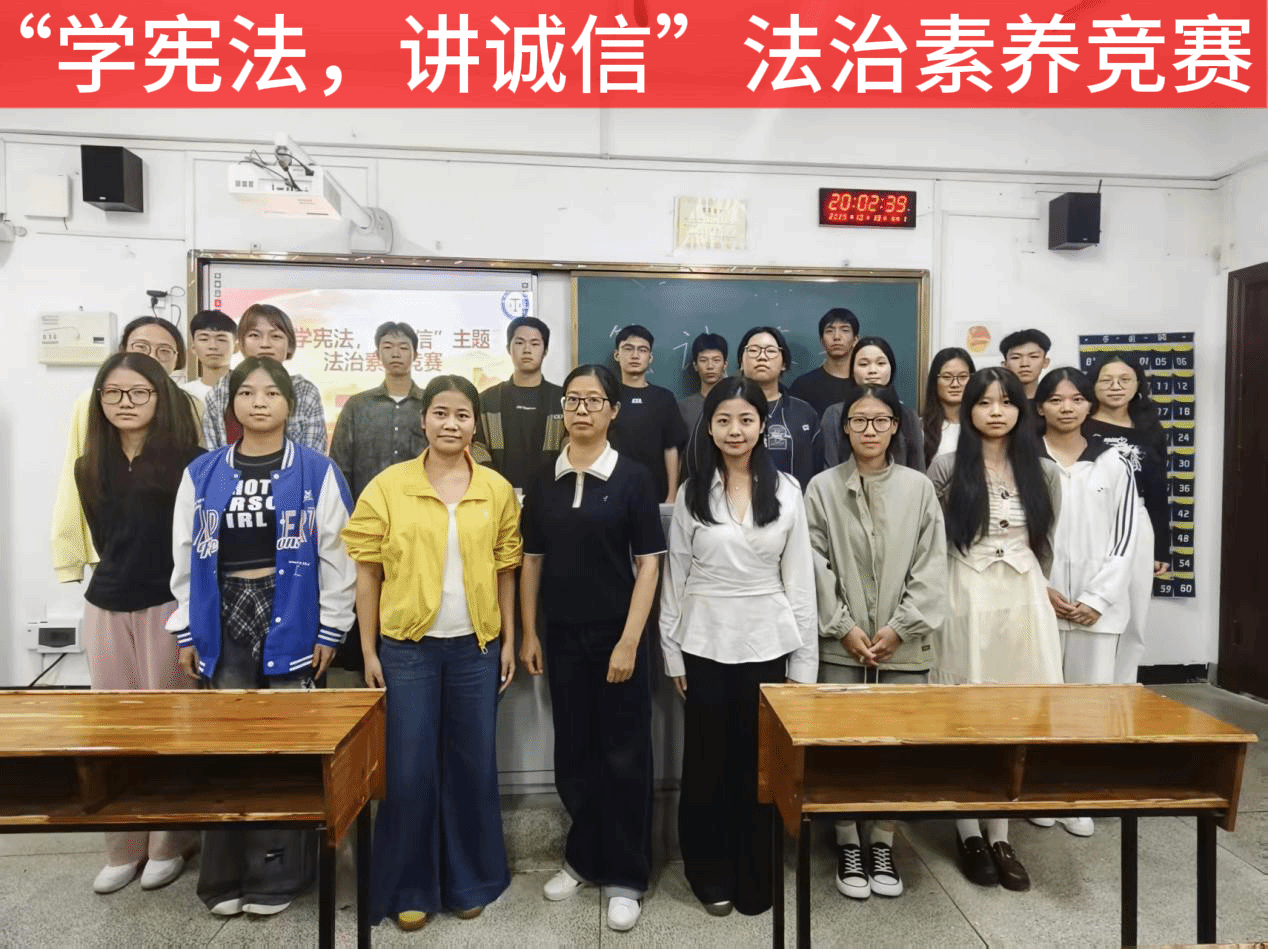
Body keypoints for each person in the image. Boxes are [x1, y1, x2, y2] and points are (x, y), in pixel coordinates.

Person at [169, 356, 356, 919]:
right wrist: (186, 630)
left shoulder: (317, 471)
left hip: (291, 610)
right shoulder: (202, 472)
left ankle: (278, 875)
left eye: (271, 393)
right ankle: (224, 876)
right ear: (232, 404)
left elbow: (339, 554)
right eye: (246, 392)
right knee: (228, 748)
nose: (258, 402)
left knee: (287, 750)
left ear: (289, 406)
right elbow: (184, 554)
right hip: (222, 613)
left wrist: (332, 626)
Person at [343, 375, 522, 933]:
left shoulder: (494, 489)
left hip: (475, 649)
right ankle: (409, 888)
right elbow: (368, 573)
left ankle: (469, 881)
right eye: (441, 413)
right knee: (409, 769)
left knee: (472, 766)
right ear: (424, 420)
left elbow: (507, 568)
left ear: (475, 425)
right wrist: (368, 649)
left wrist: (509, 640)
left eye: (462, 415)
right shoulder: (388, 486)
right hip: (407, 651)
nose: (451, 424)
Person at [660, 377, 818, 918]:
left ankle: (757, 871)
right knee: (707, 763)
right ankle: (708, 872)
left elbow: (800, 581)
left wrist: (803, 665)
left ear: (761, 425)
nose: (735, 430)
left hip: (768, 641)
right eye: (723, 420)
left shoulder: (788, 490)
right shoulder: (691, 491)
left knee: (760, 763)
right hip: (704, 642)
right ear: (709, 427)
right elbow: (675, 577)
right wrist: (672, 653)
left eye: (746, 420)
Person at [519, 364, 666, 934]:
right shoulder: (544, 476)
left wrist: (629, 641)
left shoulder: (633, 477)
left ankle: (627, 875)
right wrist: (530, 633)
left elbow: (649, 565)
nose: (581, 409)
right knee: (574, 755)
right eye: (573, 400)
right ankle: (584, 860)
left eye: (593, 400)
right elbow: (532, 561)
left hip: (617, 637)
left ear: (613, 410)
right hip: (562, 636)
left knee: (625, 756)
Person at [805, 384, 947, 902]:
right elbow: (813, 563)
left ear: (895, 427)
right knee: (839, 748)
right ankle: (847, 839)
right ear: (845, 428)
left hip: (902, 649)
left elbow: (932, 564)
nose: (870, 430)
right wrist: (842, 625)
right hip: (840, 645)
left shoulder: (918, 488)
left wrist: (900, 627)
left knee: (897, 751)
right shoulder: (821, 487)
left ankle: (882, 841)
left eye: (880, 420)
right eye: (859, 421)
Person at [72, 351, 204, 895]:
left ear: (160, 397)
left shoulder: (192, 463)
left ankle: (170, 842)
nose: (124, 403)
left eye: (138, 392)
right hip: (106, 604)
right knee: (114, 733)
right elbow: (105, 541)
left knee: (171, 728)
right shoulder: (89, 465)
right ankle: (123, 846)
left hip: (166, 606)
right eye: (113, 393)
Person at [927, 366, 1062, 893]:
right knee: (966, 713)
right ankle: (968, 833)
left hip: (1023, 598)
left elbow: (1046, 542)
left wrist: (1040, 588)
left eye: (1006, 402)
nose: (996, 412)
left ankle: (1002, 834)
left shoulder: (1042, 470)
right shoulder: (945, 466)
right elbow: (932, 539)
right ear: (969, 411)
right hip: (965, 592)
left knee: (1015, 715)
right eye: (984, 403)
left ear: (1021, 410)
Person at [1031, 367, 1137, 840]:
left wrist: (1098, 598)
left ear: (1089, 406)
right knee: (1042, 702)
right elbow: (1019, 534)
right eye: (1056, 400)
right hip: (1042, 602)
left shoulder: (1113, 462)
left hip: (1099, 610)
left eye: (1076, 399)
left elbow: (1126, 538)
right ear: (1040, 407)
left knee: (1088, 707)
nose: (1067, 408)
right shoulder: (1027, 460)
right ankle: (1040, 792)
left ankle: (1075, 796)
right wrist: (1040, 588)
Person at [52, 315, 203, 585]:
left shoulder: (190, 404)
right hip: (110, 546)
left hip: (174, 550)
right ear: (123, 350)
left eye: (164, 351)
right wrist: (69, 558)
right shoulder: (93, 402)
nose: (151, 357)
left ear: (177, 359)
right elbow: (77, 476)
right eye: (141, 347)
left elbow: (200, 479)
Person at [1083, 352, 1172, 684]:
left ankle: (1124, 684)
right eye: (1106, 380)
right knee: (1095, 599)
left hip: (1139, 520)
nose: (1115, 386)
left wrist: (1162, 548)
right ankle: (1091, 679)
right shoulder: (1081, 422)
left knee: (1135, 610)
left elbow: (1159, 489)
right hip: (1093, 518)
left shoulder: (1150, 429)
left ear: (1138, 385)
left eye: (1125, 380)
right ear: (1093, 385)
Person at [202, 303, 327, 453]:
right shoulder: (220, 392)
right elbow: (214, 457)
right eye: (254, 335)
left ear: (289, 345)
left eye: (276, 336)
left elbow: (314, 458)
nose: (265, 344)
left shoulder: (304, 392)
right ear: (241, 343)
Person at [329, 321, 428, 500]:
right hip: (367, 505)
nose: (395, 354)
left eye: (403, 348)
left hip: (421, 506)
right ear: (377, 355)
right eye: (388, 347)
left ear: (415, 355)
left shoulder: (430, 405)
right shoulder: (357, 405)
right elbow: (340, 465)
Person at [476, 315, 565, 490]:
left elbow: (571, 443)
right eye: (519, 342)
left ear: (545, 351)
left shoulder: (562, 399)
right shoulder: (487, 399)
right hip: (497, 493)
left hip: (553, 493)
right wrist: (495, 484)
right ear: (508, 349)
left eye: (535, 343)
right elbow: (477, 446)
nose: (527, 349)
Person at [609, 324, 688, 503]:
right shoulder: (607, 396)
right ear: (617, 355)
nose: (635, 355)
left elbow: (671, 448)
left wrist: (672, 495)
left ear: (650, 357)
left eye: (642, 350)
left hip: (655, 493)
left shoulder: (664, 398)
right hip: (612, 492)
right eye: (628, 349)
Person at [737, 326, 822, 489]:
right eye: (753, 350)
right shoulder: (724, 411)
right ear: (741, 362)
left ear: (783, 363)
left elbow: (818, 470)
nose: (762, 357)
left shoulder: (804, 412)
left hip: (796, 503)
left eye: (770, 351)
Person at [820, 337, 924, 471]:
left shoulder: (908, 415)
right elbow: (829, 471)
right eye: (863, 364)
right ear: (852, 371)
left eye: (880, 363)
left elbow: (918, 470)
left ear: (891, 369)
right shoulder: (834, 414)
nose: (872, 370)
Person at [789, 308, 860, 416]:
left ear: (855, 340)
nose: (837, 337)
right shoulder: (803, 386)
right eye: (829, 331)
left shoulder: (866, 384)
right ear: (822, 341)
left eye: (845, 330)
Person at [922, 347, 976, 465]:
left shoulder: (982, 424)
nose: (955, 384)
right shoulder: (919, 428)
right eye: (947, 377)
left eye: (963, 377)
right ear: (934, 381)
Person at [678, 332, 729, 436]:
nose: (710, 366)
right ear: (695, 365)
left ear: (725, 365)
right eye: (703, 360)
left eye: (716, 360)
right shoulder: (683, 408)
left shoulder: (736, 404)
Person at [183, 309, 237, 402]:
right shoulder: (184, 394)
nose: (213, 346)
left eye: (221, 339)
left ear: (236, 347)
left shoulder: (249, 391)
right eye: (204, 339)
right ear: (193, 348)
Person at [1000, 329, 1052, 400]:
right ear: (1004, 365)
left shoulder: (1053, 401)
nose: (1024, 364)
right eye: (1016, 357)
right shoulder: (998, 402)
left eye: (1033, 356)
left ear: (1045, 362)